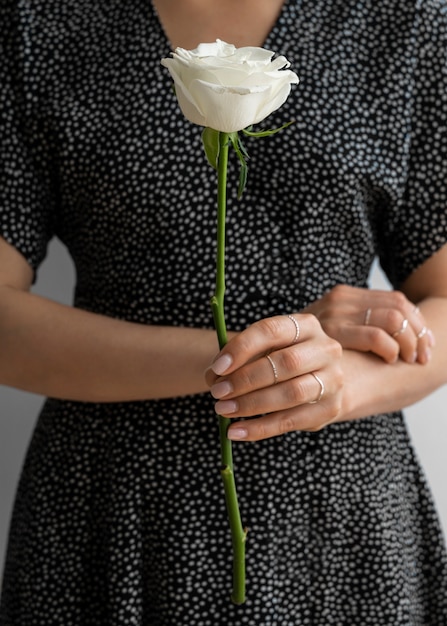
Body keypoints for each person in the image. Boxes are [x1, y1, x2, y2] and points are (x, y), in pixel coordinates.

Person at [0, 0, 446, 623]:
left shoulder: (403, 27)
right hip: (113, 506)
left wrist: (340, 381)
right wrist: (251, 358)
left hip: (341, 521)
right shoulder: (41, 24)